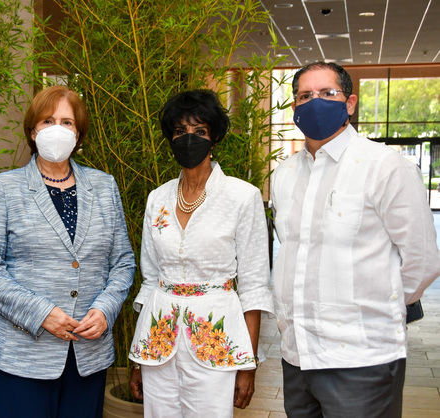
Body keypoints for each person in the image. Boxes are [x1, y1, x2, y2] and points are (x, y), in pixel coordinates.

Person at [271, 61, 440, 417]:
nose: (315, 101)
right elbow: (292, 252)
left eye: (327, 93)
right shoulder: (284, 175)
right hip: (297, 355)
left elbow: (422, 260)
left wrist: (379, 307)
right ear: (294, 108)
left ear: (349, 103)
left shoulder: (384, 166)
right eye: (304, 96)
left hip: (362, 359)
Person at [0, 85, 136, 418]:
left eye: (67, 122)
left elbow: (123, 263)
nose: (57, 129)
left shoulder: (104, 186)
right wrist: (41, 312)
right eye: (48, 121)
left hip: (88, 354)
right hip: (19, 354)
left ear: (79, 133)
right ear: (33, 131)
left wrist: (105, 309)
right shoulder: (6, 187)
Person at [128, 89, 273, 417]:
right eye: (179, 132)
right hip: (158, 340)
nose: (188, 139)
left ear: (215, 136)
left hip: (216, 337)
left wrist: (247, 364)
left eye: (199, 131)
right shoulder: (158, 199)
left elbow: (253, 287)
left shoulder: (241, 197)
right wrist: (139, 355)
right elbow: (151, 281)